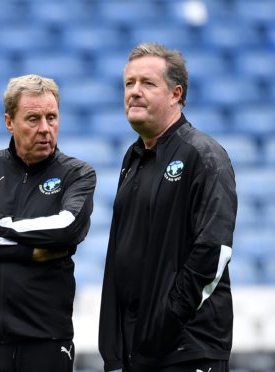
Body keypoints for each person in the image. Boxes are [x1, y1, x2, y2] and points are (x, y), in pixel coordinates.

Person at [99, 43, 237, 372]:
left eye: (147, 83)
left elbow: (213, 250)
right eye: (129, 83)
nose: (134, 92)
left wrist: (166, 320)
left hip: (187, 348)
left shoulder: (203, 155)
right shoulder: (132, 159)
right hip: (139, 350)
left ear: (176, 94)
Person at [0, 74, 96, 372]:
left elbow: (65, 229)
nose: (44, 128)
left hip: (45, 339)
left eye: (52, 117)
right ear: (9, 122)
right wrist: (29, 251)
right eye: (33, 119)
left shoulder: (77, 174)